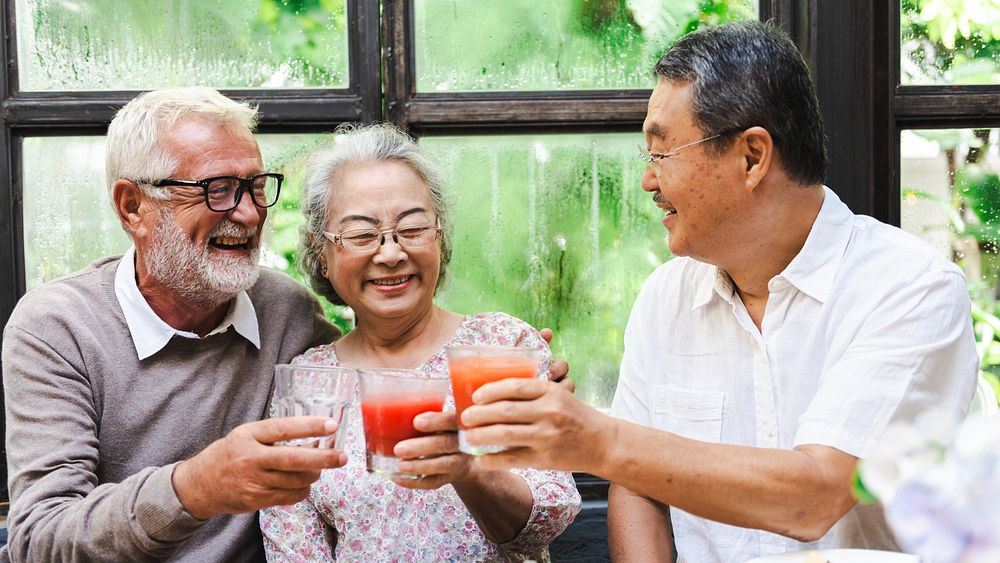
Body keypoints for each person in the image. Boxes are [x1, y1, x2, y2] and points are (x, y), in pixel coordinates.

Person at [458, 20, 979, 562]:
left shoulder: (910, 288)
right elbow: (638, 490)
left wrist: (593, 438)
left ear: (752, 157)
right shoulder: (666, 295)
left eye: (660, 153)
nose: (647, 182)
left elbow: (816, 496)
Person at [0, 87, 348, 561]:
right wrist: (195, 488)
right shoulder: (58, 327)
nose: (248, 214)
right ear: (133, 207)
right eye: (217, 189)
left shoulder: (288, 311)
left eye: (256, 186)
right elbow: (39, 540)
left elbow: (372, 381)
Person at [259, 123, 581, 562]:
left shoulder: (502, 345)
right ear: (322, 253)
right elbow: (293, 545)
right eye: (360, 234)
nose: (391, 254)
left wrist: (466, 468)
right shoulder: (310, 384)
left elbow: (544, 522)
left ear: (440, 236)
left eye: (412, 229)